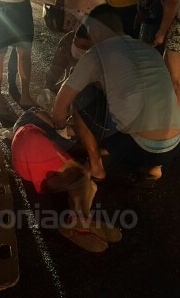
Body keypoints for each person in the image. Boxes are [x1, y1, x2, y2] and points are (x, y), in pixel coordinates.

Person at [52, 4, 180, 181]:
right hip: (173, 148)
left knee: (81, 96)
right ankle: (154, 170)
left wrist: (59, 130)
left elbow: (60, 106)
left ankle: (96, 166)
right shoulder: (148, 50)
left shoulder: (95, 54)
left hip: (137, 151)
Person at [12, 108, 122, 252]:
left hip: (25, 163)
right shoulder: (33, 115)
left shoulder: (39, 129)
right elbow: (65, 128)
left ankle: (76, 223)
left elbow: (68, 133)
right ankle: (82, 218)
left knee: (91, 186)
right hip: (30, 140)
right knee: (81, 175)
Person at [44, 25, 94, 93]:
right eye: (76, 42)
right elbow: (56, 69)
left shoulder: (101, 52)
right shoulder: (67, 41)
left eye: (84, 46)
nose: (79, 49)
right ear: (74, 38)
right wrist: (46, 90)